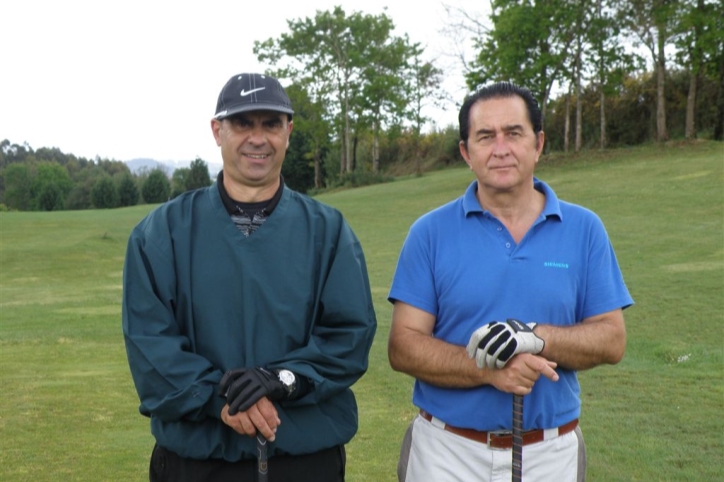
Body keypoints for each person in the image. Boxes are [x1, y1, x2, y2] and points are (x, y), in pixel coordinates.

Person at [122, 72, 377, 482]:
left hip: (303, 459)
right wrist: (220, 398)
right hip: (197, 461)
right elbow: (150, 344)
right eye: (242, 123)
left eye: (270, 124)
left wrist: (281, 380)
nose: (257, 138)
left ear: (288, 132)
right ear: (217, 130)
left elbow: (349, 336)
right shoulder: (161, 234)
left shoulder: (328, 231)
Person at [387, 81, 633, 482]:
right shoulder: (428, 232)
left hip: (549, 453)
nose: (500, 148)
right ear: (467, 152)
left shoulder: (585, 228)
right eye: (485, 136)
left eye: (513, 133)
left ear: (538, 144)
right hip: (447, 453)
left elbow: (611, 339)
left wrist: (534, 335)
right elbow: (403, 347)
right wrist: (487, 370)